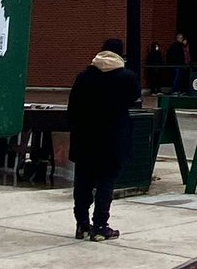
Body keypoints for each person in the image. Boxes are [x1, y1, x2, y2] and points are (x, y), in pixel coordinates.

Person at [67, 37, 141, 242]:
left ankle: (81, 224)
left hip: (85, 138)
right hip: (112, 139)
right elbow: (134, 99)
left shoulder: (83, 76)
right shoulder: (127, 77)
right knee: (106, 181)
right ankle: (100, 226)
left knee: (82, 181)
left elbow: (72, 107)